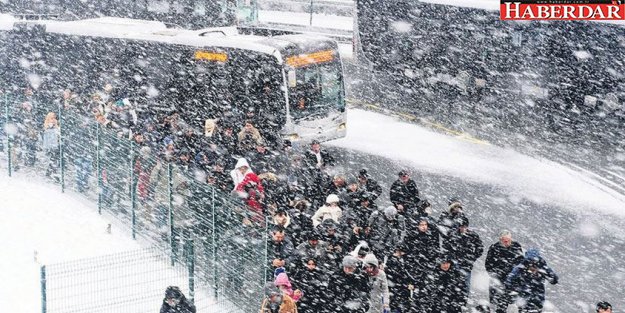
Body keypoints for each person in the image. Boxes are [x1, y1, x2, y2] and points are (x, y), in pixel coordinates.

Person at [442, 215, 483, 308]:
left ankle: (461, 303)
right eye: (461, 226)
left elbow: (480, 248)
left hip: (465, 265)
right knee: (452, 284)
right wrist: (448, 259)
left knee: (465, 286)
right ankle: (452, 303)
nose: (463, 228)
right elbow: (446, 247)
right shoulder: (452, 234)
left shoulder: (472, 235)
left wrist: (472, 258)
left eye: (464, 226)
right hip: (454, 264)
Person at [505, 249, 558, 313]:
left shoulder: (523, 267)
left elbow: (554, 279)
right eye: (530, 261)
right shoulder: (522, 267)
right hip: (530, 299)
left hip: (530, 299)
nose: (532, 264)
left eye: (534, 262)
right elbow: (554, 279)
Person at [485, 230, 524, 313]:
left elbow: (521, 263)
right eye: (504, 240)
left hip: (512, 281)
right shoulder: (494, 248)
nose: (506, 242)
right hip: (498, 280)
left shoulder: (516, 247)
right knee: (500, 305)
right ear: (500, 239)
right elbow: (488, 264)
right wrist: (496, 273)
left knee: (516, 304)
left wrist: (514, 274)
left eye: (508, 240)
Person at [42, 112, 61, 180]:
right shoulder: (48, 126)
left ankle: (50, 172)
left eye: (54, 118)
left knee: (54, 160)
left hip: (55, 144)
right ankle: (53, 173)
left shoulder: (55, 125)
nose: (53, 120)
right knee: (54, 159)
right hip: (51, 145)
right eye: (52, 118)